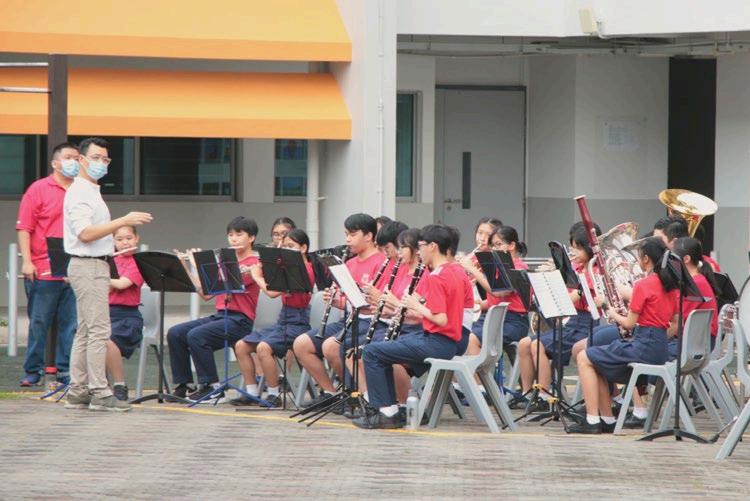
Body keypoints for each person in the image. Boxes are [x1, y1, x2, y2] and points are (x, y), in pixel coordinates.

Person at [63, 137, 153, 412]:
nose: (101, 163)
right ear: (81, 160)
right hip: (89, 264)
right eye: (96, 158)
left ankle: (78, 390)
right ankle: (100, 392)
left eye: (105, 159)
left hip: (93, 264)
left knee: (86, 330)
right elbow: (85, 233)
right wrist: (123, 221)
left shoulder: (89, 190)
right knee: (99, 330)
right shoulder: (80, 192)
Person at [355, 224, 463, 429]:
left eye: (421, 246)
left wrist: (416, 306)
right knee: (383, 350)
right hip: (446, 341)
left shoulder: (437, 276)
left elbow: (441, 319)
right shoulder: (454, 270)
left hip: (436, 341)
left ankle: (387, 412)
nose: (419, 251)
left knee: (371, 352)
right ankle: (393, 408)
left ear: (432, 246)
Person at [570, 237, 679, 434]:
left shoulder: (644, 285)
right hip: (660, 347)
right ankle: (607, 418)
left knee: (583, 356)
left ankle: (592, 419)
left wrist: (608, 309)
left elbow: (628, 323)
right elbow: (674, 320)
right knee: (596, 360)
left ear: (646, 259)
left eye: (638, 257)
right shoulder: (671, 286)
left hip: (643, 347)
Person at [293, 213, 386, 406]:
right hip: (350, 320)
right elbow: (348, 300)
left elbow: (376, 305)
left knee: (331, 346)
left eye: (353, 234)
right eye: (346, 234)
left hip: (371, 323)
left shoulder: (381, 262)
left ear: (369, 236)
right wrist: (335, 300)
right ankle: (332, 392)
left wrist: (345, 302)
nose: (348, 240)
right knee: (301, 344)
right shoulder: (349, 263)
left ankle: (357, 394)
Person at [168, 216, 260, 402]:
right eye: (230, 235)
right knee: (175, 333)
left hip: (242, 320)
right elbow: (206, 294)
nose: (233, 239)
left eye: (239, 234)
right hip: (222, 316)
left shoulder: (254, 263)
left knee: (196, 335)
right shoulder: (224, 262)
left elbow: (226, 283)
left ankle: (212, 387)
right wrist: (186, 267)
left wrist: (200, 264)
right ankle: (184, 384)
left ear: (251, 238)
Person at [16, 142, 80, 387]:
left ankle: (65, 370)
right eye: (68, 157)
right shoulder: (38, 189)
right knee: (39, 322)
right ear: (55, 163)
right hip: (43, 266)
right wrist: (27, 261)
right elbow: (25, 227)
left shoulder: (82, 189)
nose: (74, 162)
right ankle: (33, 370)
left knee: (71, 324)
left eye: (77, 158)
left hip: (75, 265)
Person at [231, 229, 315, 407]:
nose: (286, 250)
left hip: (299, 322)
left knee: (263, 348)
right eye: (284, 247)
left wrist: (256, 275)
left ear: (303, 248)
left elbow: (271, 293)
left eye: (291, 246)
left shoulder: (305, 270)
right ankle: (252, 392)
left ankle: (274, 393)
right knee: (241, 346)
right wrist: (264, 265)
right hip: (283, 319)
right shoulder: (286, 267)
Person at [515, 225, 596, 411]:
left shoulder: (591, 272)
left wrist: (557, 277)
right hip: (571, 324)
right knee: (524, 343)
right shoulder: (575, 268)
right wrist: (550, 276)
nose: (574, 253)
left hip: (584, 326)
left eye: (578, 248)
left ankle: (545, 395)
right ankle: (528, 393)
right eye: (572, 248)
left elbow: (571, 298)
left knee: (537, 346)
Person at [105, 225, 144, 401]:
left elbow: (122, 284)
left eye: (129, 238)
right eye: (119, 239)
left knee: (106, 340)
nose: (125, 243)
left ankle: (119, 385)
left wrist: (95, 276)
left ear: (136, 239)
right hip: (105, 313)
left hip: (127, 317)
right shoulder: (108, 260)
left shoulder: (138, 263)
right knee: (86, 338)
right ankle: (98, 386)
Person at [669, 237, 720, 358]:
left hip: (695, 344)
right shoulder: (696, 280)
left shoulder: (695, 284)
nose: (670, 262)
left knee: (651, 354)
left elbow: (678, 321)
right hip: (697, 341)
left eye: (673, 258)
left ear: (686, 259)